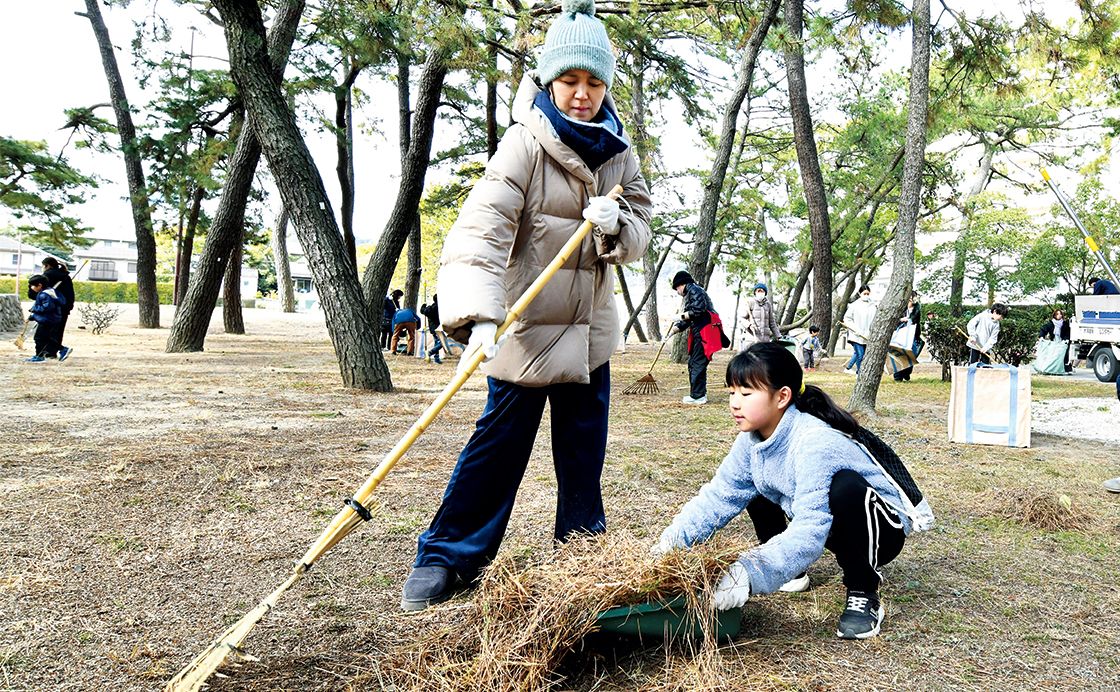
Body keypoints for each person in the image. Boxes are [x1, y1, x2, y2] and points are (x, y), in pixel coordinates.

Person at [401, 0, 652, 613]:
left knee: (582, 452)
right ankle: (448, 555)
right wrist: (479, 313)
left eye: (594, 82)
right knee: (498, 447)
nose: (581, 95)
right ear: (547, 80)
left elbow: (642, 226)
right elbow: (480, 230)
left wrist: (617, 225)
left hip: (589, 336)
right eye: (569, 80)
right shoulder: (524, 144)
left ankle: (581, 558)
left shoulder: (619, 151)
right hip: (526, 327)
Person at [655, 343, 934, 639]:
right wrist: (668, 546)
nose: (735, 403)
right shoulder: (752, 440)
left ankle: (863, 591)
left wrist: (748, 573)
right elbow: (719, 496)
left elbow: (810, 530)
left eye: (746, 394)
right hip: (829, 522)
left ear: (782, 397)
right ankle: (792, 572)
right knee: (756, 480)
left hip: (878, 531)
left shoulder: (814, 441)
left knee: (845, 488)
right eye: (731, 392)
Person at [673, 270, 715, 405]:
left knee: (697, 362)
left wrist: (680, 316)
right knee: (695, 362)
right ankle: (699, 393)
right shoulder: (693, 292)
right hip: (701, 331)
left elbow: (698, 311)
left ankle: (698, 396)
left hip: (705, 331)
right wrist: (677, 328)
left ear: (681, 284)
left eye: (676, 288)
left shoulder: (695, 290)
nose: (677, 292)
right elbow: (689, 318)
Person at [25, 274, 70, 363]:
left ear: (39, 285)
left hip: (47, 320)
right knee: (45, 338)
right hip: (52, 319)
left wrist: (34, 309)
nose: (31, 287)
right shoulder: (51, 292)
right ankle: (42, 354)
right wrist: (33, 316)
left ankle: (41, 356)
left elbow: (47, 308)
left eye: (33, 285)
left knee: (39, 338)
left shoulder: (43, 295)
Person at [41, 257, 75, 359]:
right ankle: (53, 352)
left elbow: (41, 292)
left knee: (46, 331)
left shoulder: (47, 276)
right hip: (64, 307)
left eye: (43, 266)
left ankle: (48, 352)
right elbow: (70, 294)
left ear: (47, 265)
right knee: (58, 331)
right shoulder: (65, 276)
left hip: (51, 308)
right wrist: (69, 307)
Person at [842, 285, 874, 374]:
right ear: (860, 293)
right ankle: (860, 373)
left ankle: (853, 369)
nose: (866, 295)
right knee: (860, 355)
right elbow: (847, 318)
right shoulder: (854, 305)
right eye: (864, 293)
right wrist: (855, 329)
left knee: (863, 355)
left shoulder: (873, 305)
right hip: (856, 335)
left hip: (867, 335)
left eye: (868, 293)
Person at [740, 282, 782, 350]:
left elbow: (772, 323)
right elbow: (742, 318)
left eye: (762, 291)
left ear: (765, 293)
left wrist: (778, 335)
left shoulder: (768, 305)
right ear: (755, 292)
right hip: (752, 337)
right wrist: (749, 325)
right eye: (758, 291)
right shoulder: (750, 303)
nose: (760, 292)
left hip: (765, 340)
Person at [892, 293, 922, 382]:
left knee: (910, 354)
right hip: (901, 334)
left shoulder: (917, 308)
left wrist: (908, 319)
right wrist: (901, 319)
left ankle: (906, 373)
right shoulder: (901, 308)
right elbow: (895, 319)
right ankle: (898, 376)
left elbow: (914, 319)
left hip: (912, 335)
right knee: (899, 354)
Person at [1038, 307, 1073, 373]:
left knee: (1064, 355)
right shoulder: (1051, 323)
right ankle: (1053, 369)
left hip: (1063, 341)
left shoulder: (1065, 324)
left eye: (1060, 314)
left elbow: (1068, 332)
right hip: (1054, 341)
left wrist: (1066, 339)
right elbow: (1043, 329)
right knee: (1054, 355)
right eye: (1057, 314)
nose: (1059, 315)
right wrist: (1041, 336)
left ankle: (1067, 369)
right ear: (1054, 315)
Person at [420, 295, 443, 364]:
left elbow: (423, 311)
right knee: (442, 343)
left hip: (433, 328)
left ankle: (436, 359)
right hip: (439, 328)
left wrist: (423, 305)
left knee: (437, 342)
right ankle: (430, 353)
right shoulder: (441, 308)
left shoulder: (430, 308)